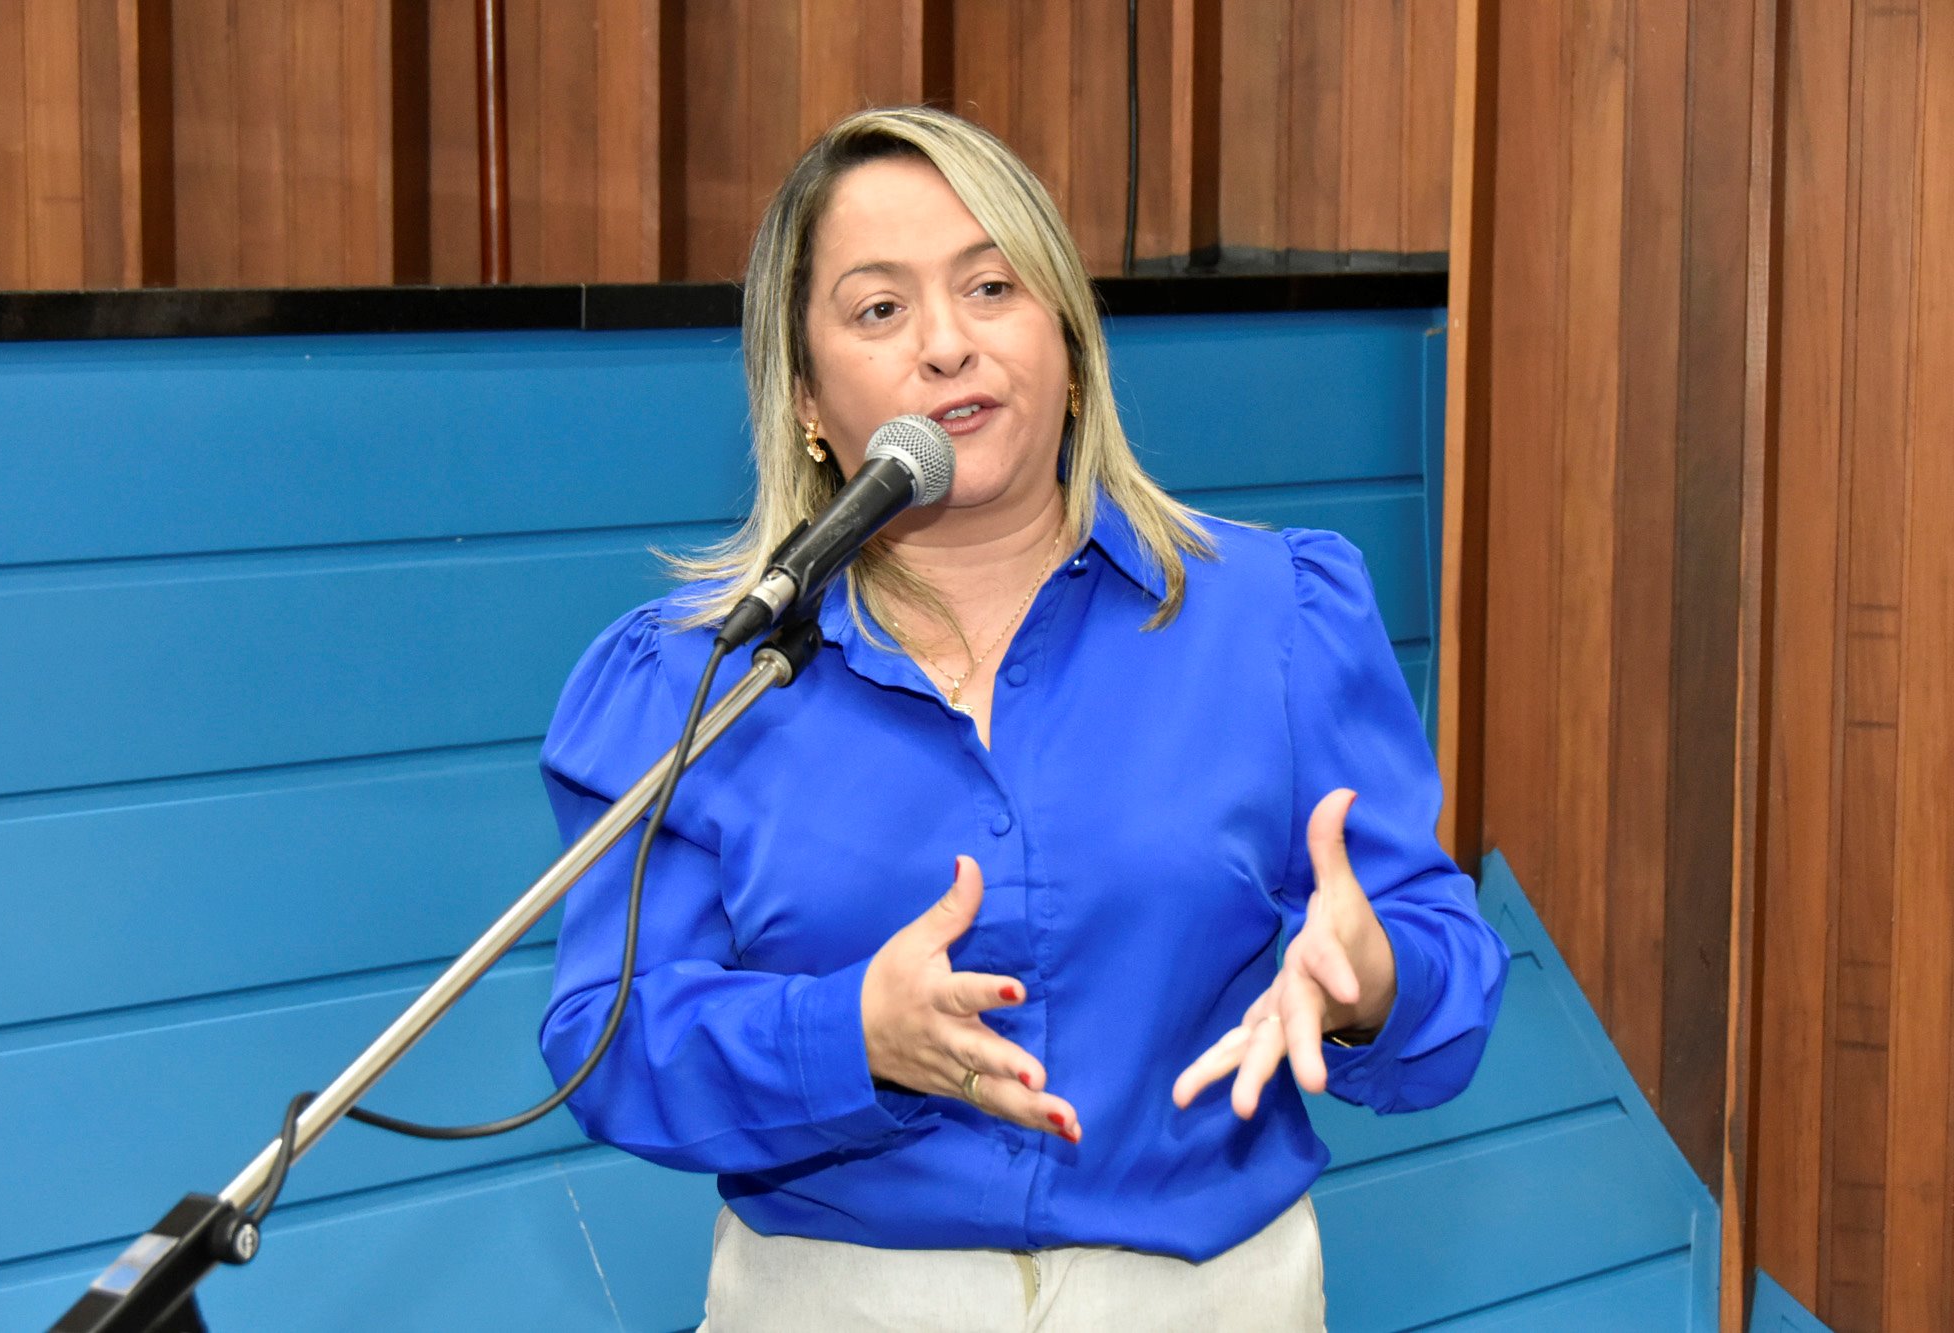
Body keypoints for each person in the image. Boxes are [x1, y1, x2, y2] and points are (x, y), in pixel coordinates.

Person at [539, 106, 1508, 1331]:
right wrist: (849, 1034)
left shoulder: (1276, 615)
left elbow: (1440, 971)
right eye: (878, 309)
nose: (947, 344)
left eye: (990, 286)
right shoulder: (701, 675)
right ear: (803, 398)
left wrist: (1375, 980)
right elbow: (605, 1038)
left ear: (1069, 340)